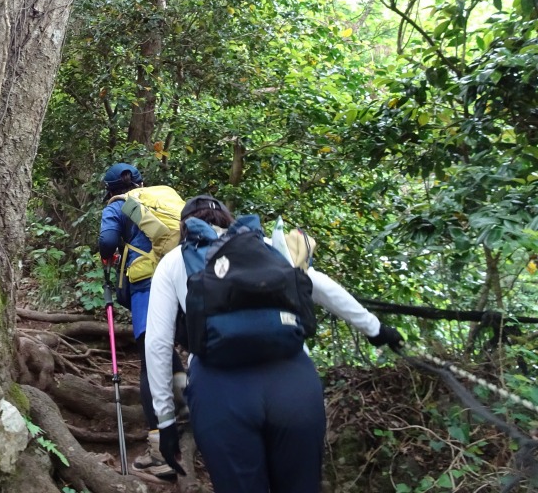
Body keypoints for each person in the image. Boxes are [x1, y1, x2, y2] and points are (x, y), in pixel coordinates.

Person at [146, 194, 404, 492]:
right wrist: (376, 330)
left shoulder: (175, 260)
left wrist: (165, 421)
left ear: (185, 228)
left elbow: (157, 343)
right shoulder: (267, 247)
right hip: (293, 383)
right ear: (229, 220)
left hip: (219, 390)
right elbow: (323, 287)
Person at [97, 162, 185, 480]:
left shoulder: (118, 206)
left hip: (149, 288)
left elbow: (107, 242)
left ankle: (161, 453)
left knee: (151, 363)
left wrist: (109, 254)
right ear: (140, 182)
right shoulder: (165, 196)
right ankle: (186, 411)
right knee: (170, 351)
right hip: (185, 283)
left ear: (110, 189)